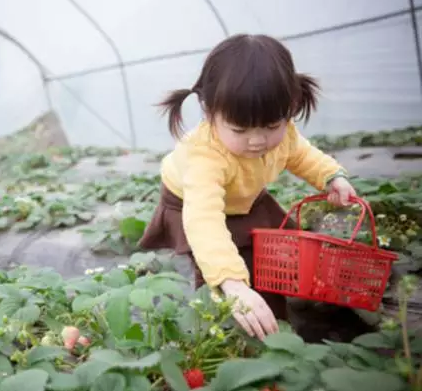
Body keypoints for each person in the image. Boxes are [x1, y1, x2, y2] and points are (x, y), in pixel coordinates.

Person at [138, 33, 357, 341]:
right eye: (240, 129)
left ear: (289, 109)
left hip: (245, 198)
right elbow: (204, 221)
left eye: (271, 127)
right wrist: (232, 283)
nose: (257, 140)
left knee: (277, 252)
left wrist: (332, 177)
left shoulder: (285, 133)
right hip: (191, 202)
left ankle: (280, 321)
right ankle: (224, 334)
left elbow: (302, 154)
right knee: (216, 271)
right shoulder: (205, 156)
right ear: (208, 112)